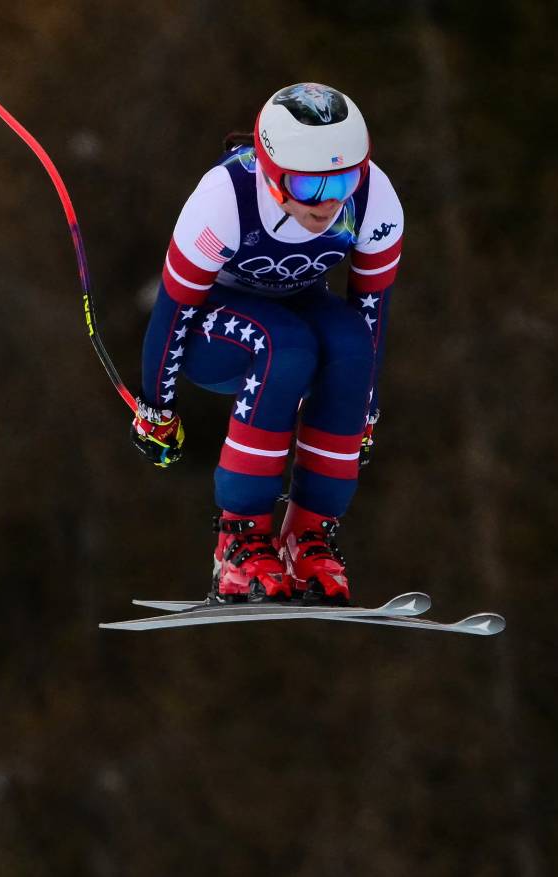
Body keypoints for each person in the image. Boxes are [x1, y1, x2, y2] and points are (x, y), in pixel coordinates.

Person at [128, 83, 403, 605]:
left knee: (349, 349)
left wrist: (364, 410)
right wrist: (156, 408)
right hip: (215, 334)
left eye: (343, 180)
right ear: (273, 174)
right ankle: (239, 543)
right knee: (286, 345)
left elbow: (372, 313)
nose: (327, 204)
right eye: (307, 185)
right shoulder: (224, 198)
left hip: (298, 308)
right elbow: (173, 310)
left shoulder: (372, 200)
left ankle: (309, 539)